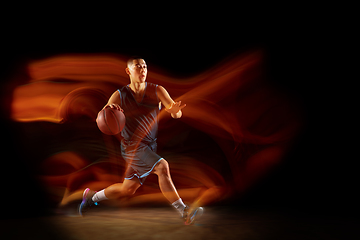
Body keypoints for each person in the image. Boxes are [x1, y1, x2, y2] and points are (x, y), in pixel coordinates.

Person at [79, 56, 203, 225]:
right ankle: (184, 212)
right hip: (132, 147)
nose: (143, 70)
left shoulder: (158, 90)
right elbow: (101, 118)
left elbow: (176, 113)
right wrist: (109, 110)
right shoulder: (120, 95)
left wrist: (175, 111)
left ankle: (92, 197)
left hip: (149, 147)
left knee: (126, 190)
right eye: (138, 66)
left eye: (144, 66)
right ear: (128, 71)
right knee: (162, 167)